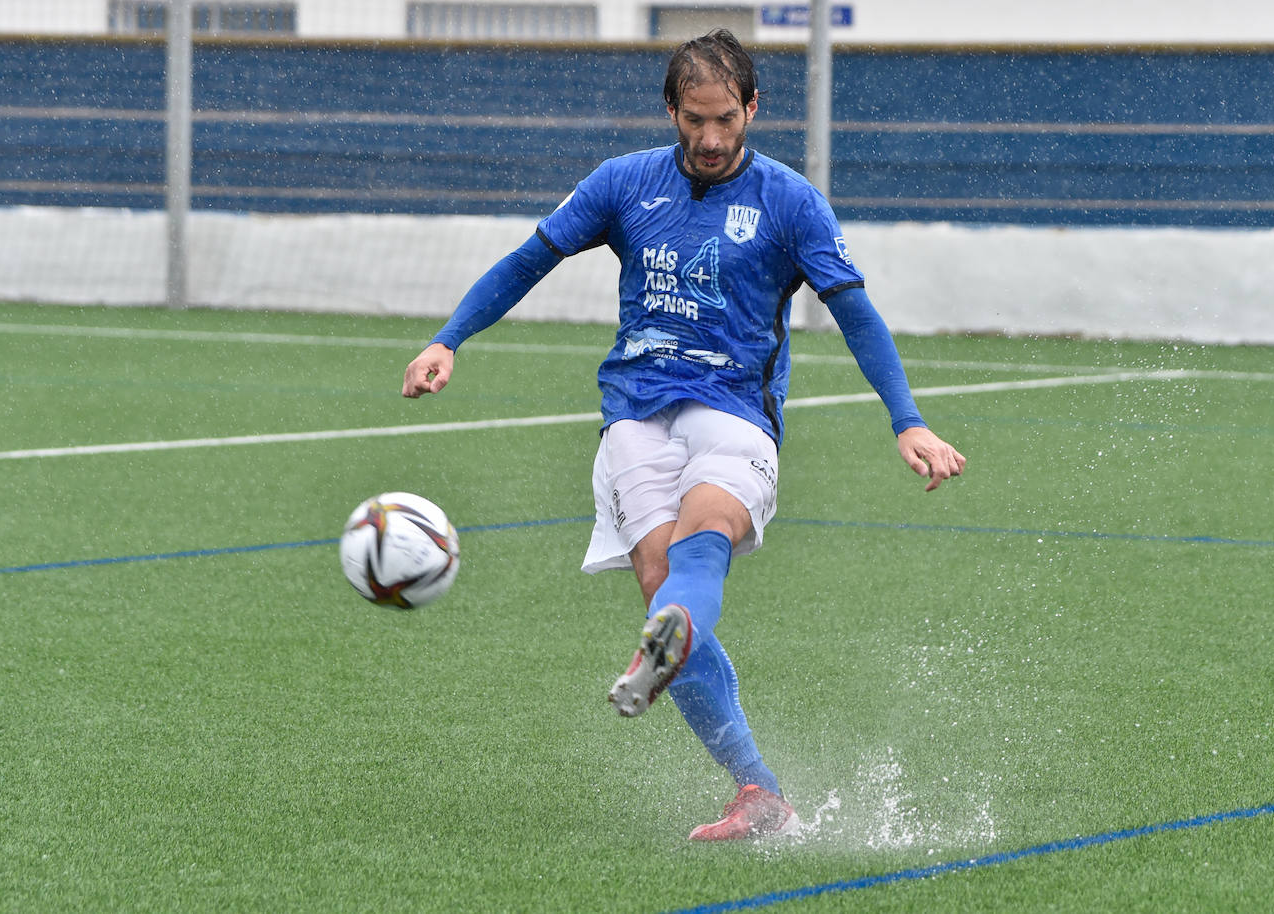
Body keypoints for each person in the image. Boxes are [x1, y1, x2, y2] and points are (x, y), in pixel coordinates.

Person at [402, 29, 965, 841]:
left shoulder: (790, 201)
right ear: (671, 110)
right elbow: (530, 260)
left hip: (734, 411)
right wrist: (447, 338)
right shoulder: (624, 183)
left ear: (752, 109)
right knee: (663, 578)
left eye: (726, 119)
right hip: (634, 410)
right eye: (695, 119)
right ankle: (757, 790)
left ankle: (672, 650)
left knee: (703, 537)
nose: (710, 138)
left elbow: (855, 314)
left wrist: (906, 418)